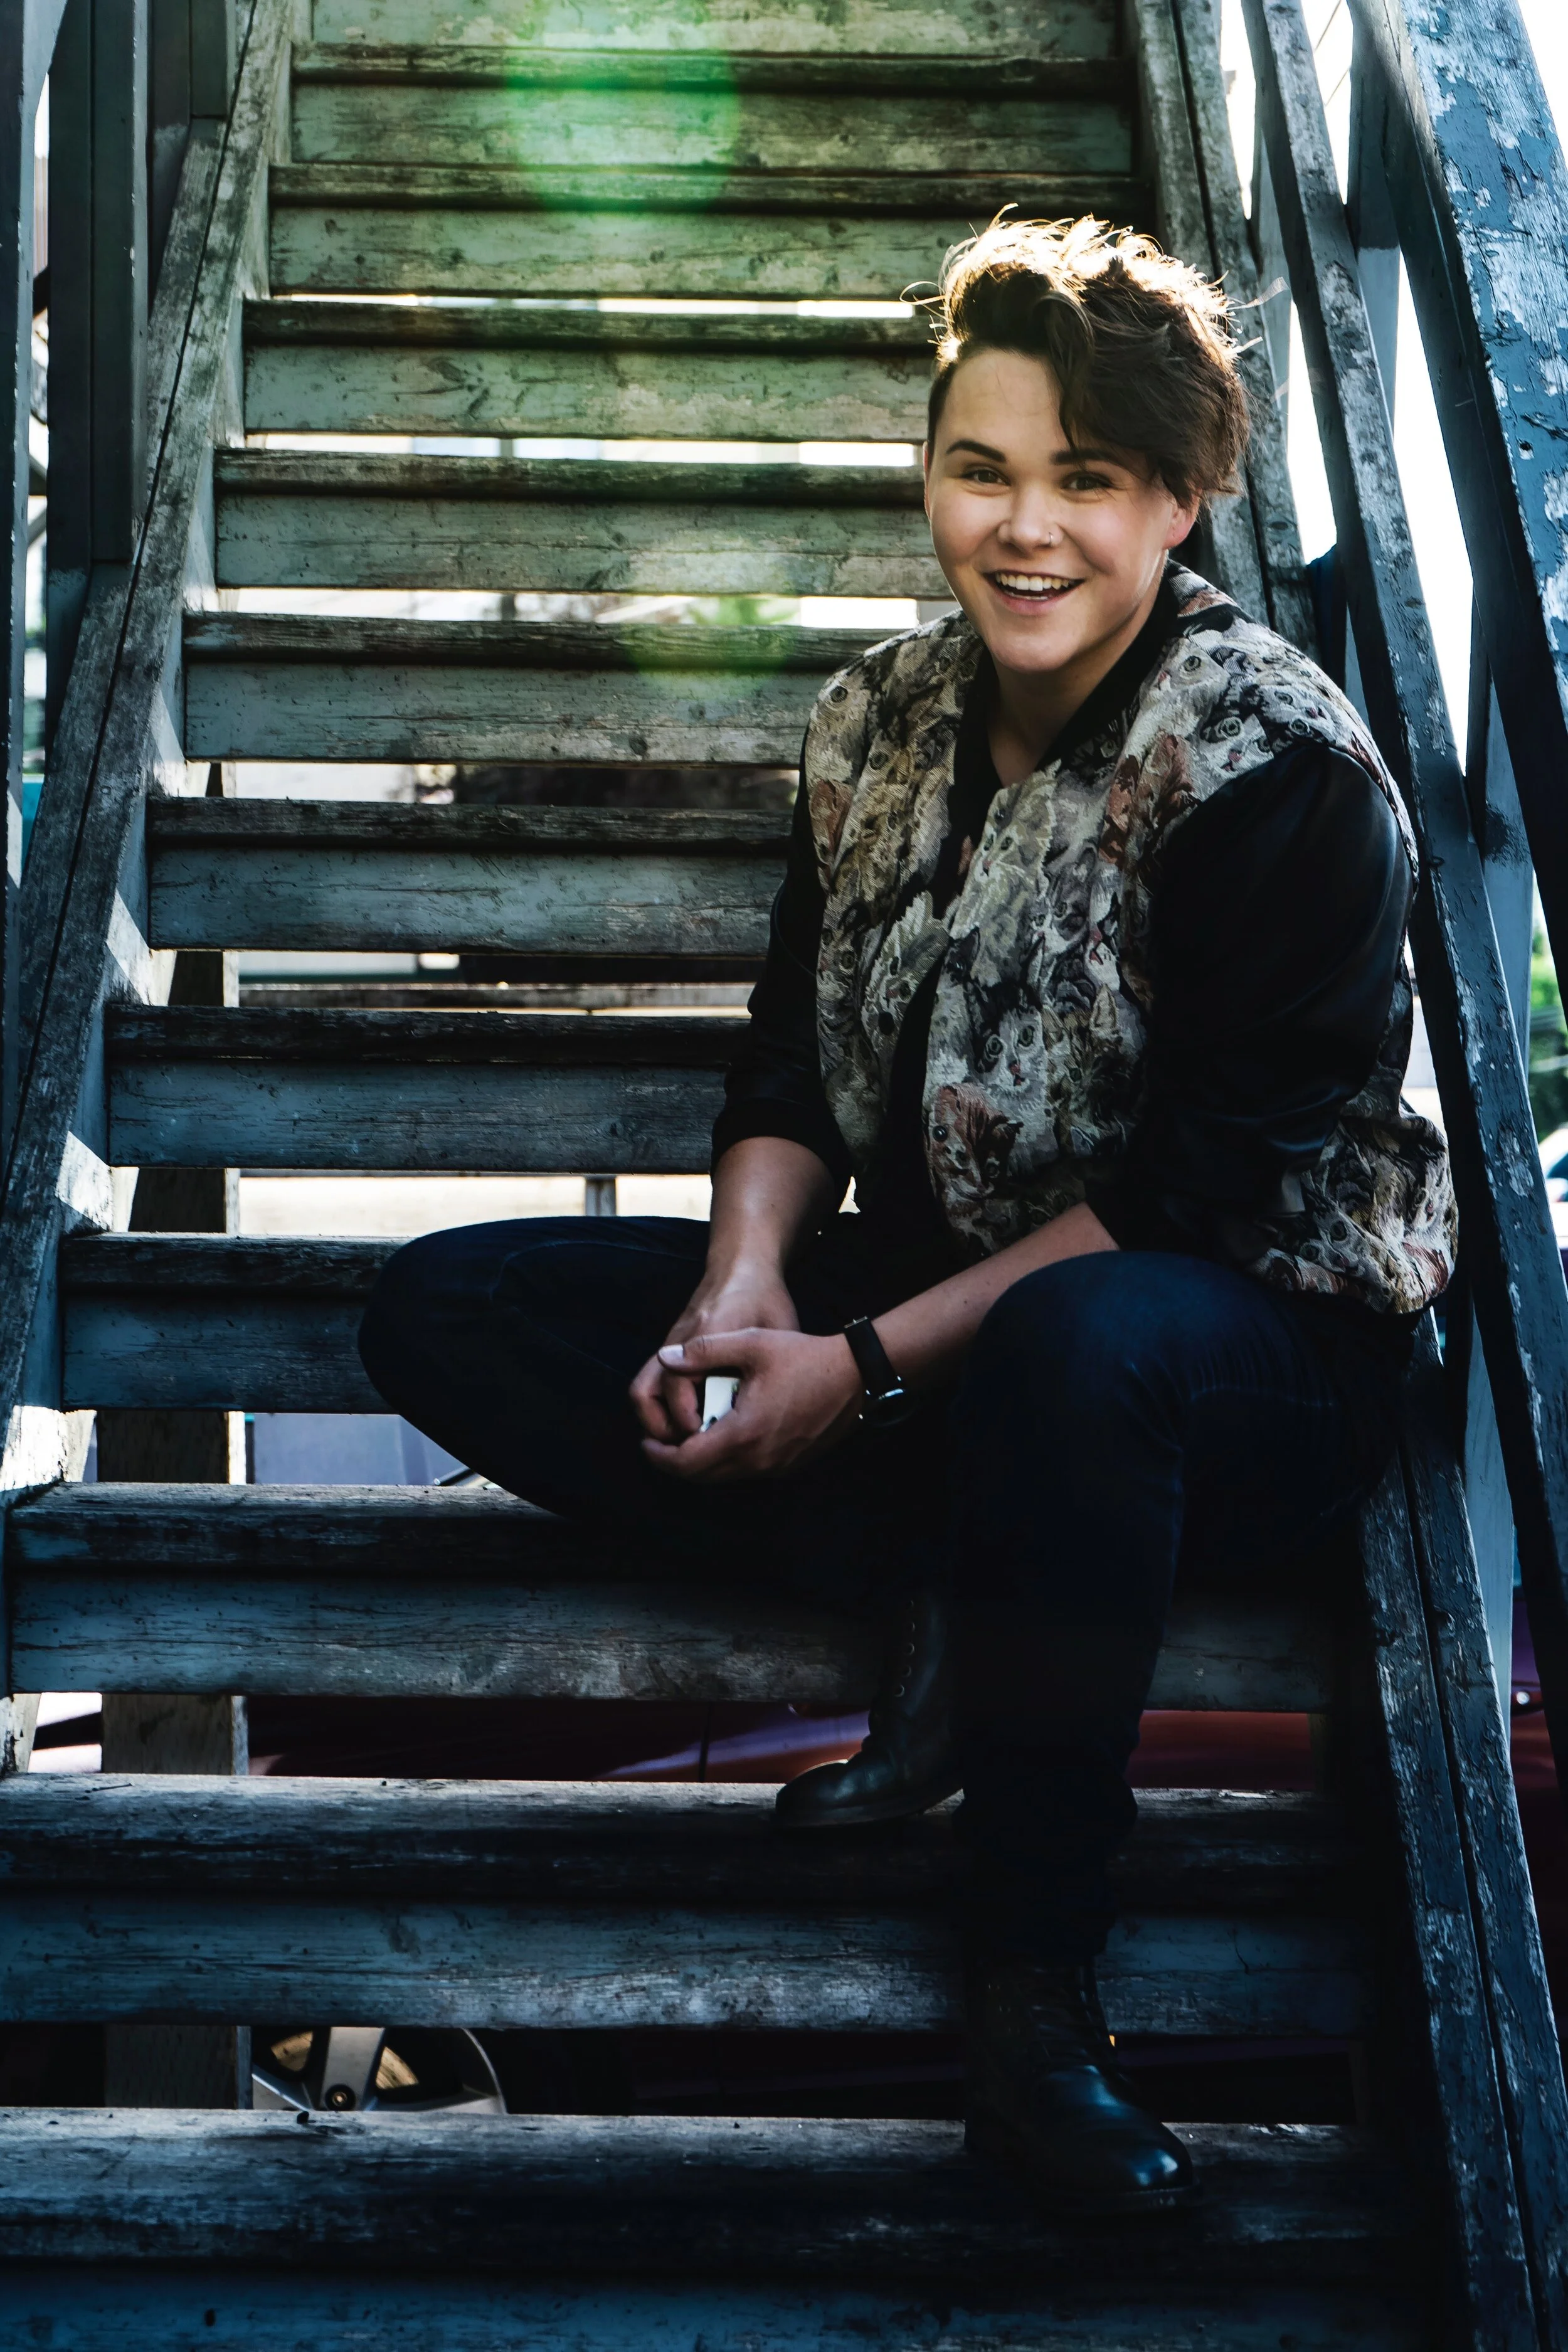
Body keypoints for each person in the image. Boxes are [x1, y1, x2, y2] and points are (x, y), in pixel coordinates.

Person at [359, 215, 1456, 2217]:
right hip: (952, 1309)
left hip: (1245, 1339)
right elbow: (791, 1063)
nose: (1022, 530)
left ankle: (1036, 1997)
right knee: (455, 1312)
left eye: (1085, 482)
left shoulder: (1279, 768)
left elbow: (1194, 1197)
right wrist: (748, 1292)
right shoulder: (873, 722)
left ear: (1180, 500)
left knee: (1077, 1351)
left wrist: (853, 1374)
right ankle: (971, 1549)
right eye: (980, 469)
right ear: (926, 469)